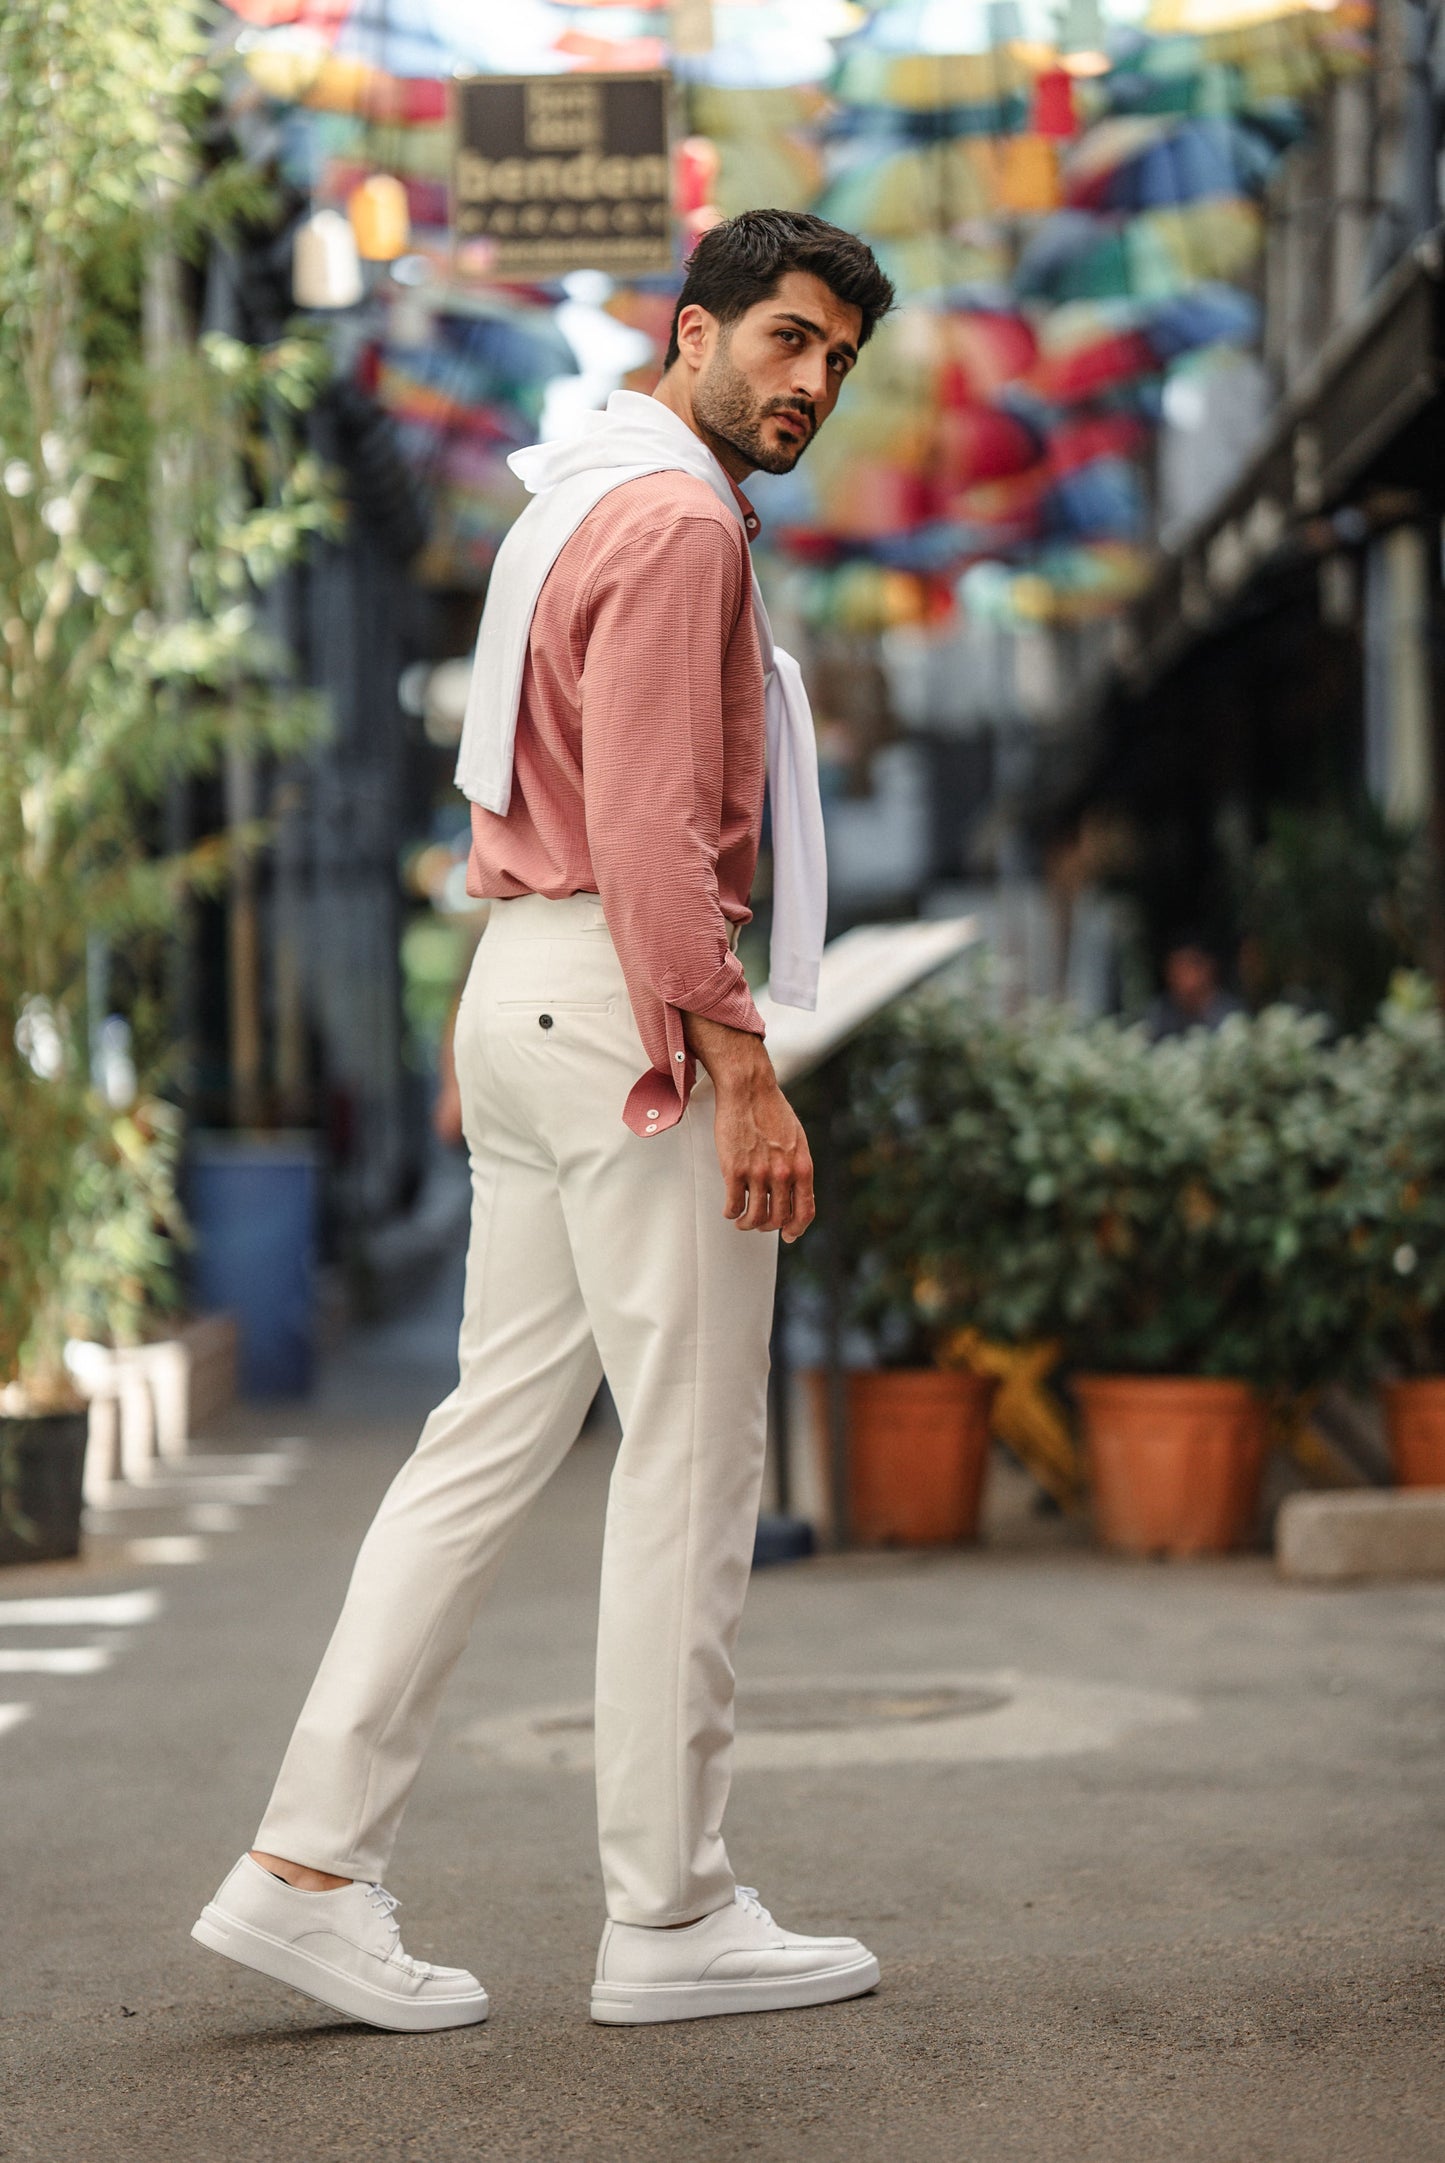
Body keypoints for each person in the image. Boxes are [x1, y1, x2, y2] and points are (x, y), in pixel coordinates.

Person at [193, 211, 895, 2033]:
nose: (813, 383)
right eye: (789, 339)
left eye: (838, 360)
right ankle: (671, 1910)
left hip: (536, 983)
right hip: (627, 1004)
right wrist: (743, 1066)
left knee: (487, 1438)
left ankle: (304, 1865)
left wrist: (488, 1018)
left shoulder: (574, 493)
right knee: (690, 1457)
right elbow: (655, 831)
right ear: (694, 332)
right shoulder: (676, 523)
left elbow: (517, 778)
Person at [1145, 935, 1244, 1041]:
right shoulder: (1160, 1013)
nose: (1179, 977)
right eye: (1174, 970)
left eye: (1186, 967)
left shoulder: (1231, 1015)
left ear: (1207, 969)